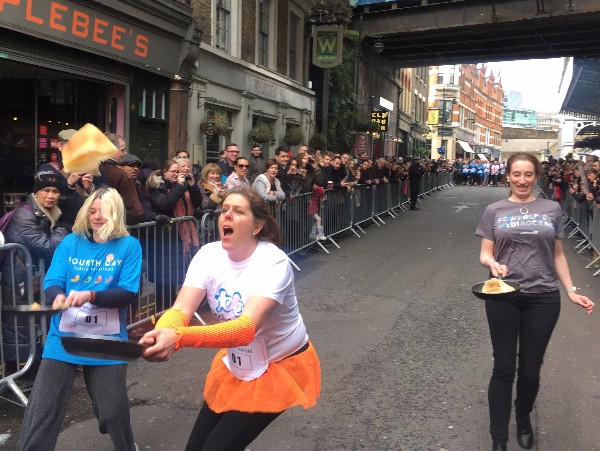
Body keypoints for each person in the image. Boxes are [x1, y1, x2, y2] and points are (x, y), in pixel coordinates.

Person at [140, 185, 320, 450]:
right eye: (224, 210)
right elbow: (180, 310)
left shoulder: (273, 262)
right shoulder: (209, 255)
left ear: (256, 226)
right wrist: (163, 331)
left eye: (237, 211)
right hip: (239, 361)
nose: (227, 216)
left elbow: (244, 329)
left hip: (279, 365)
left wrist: (178, 338)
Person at [475, 152, 595, 451]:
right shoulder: (494, 210)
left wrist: (570, 290)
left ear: (535, 176)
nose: (522, 180)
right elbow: (485, 253)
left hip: (543, 297)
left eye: (528, 174)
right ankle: (499, 438)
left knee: (530, 368)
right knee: (503, 367)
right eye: (517, 174)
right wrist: (492, 264)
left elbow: (557, 255)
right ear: (508, 176)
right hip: (503, 294)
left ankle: (524, 415)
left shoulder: (552, 209)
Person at [20, 187, 142, 451]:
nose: (97, 217)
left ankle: (126, 446)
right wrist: (57, 296)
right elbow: (52, 281)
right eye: (93, 211)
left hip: (106, 341)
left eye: (104, 211)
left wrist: (90, 295)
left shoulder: (129, 246)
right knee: (43, 411)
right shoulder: (71, 242)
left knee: (111, 412)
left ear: (116, 214)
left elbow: (128, 293)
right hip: (63, 339)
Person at [1, 171, 70, 369]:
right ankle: (18, 371)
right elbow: (46, 247)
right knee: (19, 324)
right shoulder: (24, 215)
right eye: (45, 190)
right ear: (36, 193)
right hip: (19, 278)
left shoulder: (50, 213)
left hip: (36, 276)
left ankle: (36, 367)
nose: (50, 195)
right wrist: (62, 230)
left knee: (37, 321)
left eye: (55, 191)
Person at [37, 129, 98, 226]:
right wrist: (69, 183)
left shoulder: (86, 168)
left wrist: (89, 188)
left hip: (83, 226)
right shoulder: (47, 169)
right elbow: (44, 201)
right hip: (60, 227)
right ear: (59, 146)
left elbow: (97, 200)